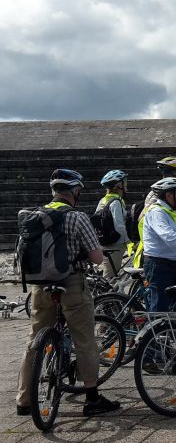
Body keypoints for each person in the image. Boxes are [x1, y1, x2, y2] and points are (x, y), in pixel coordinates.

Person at [15, 169, 121, 417]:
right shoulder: (77, 217)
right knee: (84, 340)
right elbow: (96, 258)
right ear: (74, 192)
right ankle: (92, 398)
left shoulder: (35, 216)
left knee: (34, 340)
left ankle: (24, 400)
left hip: (40, 285)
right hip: (71, 283)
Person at [142, 177, 176, 312]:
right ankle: (154, 333)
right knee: (160, 310)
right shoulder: (157, 212)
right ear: (169, 195)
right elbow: (169, 237)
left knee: (173, 308)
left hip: (170, 265)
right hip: (159, 266)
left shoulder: (167, 212)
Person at [96, 169, 130, 278]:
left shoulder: (103, 200)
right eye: (124, 181)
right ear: (119, 185)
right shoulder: (116, 202)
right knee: (109, 277)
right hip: (116, 244)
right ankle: (105, 295)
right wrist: (130, 242)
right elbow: (119, 226)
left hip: (104, 242)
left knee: (111, 274)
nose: (126, 183)